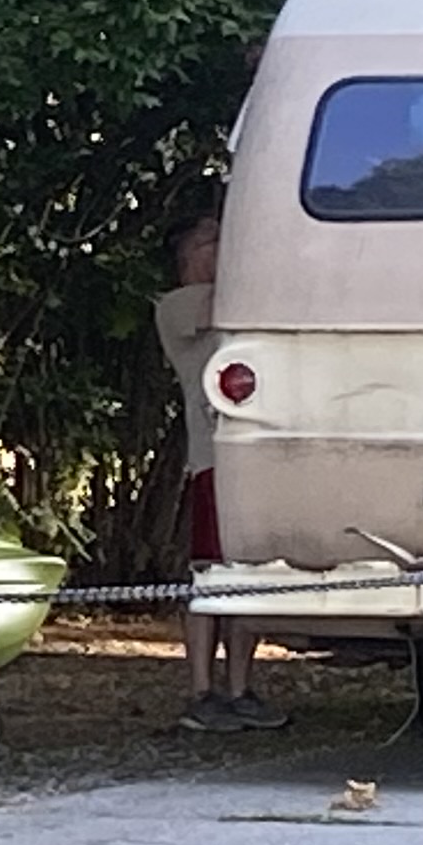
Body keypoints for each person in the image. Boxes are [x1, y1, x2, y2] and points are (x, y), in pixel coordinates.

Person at [157, 209, 281, 731]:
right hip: (212, 460)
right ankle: (203, 690)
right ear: (189, 256)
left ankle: (240, 687)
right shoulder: (179, 305)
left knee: (246, 574)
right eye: (212, 241)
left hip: (248, 457)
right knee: (210, 576)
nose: (224, 248)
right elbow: (225, 303)